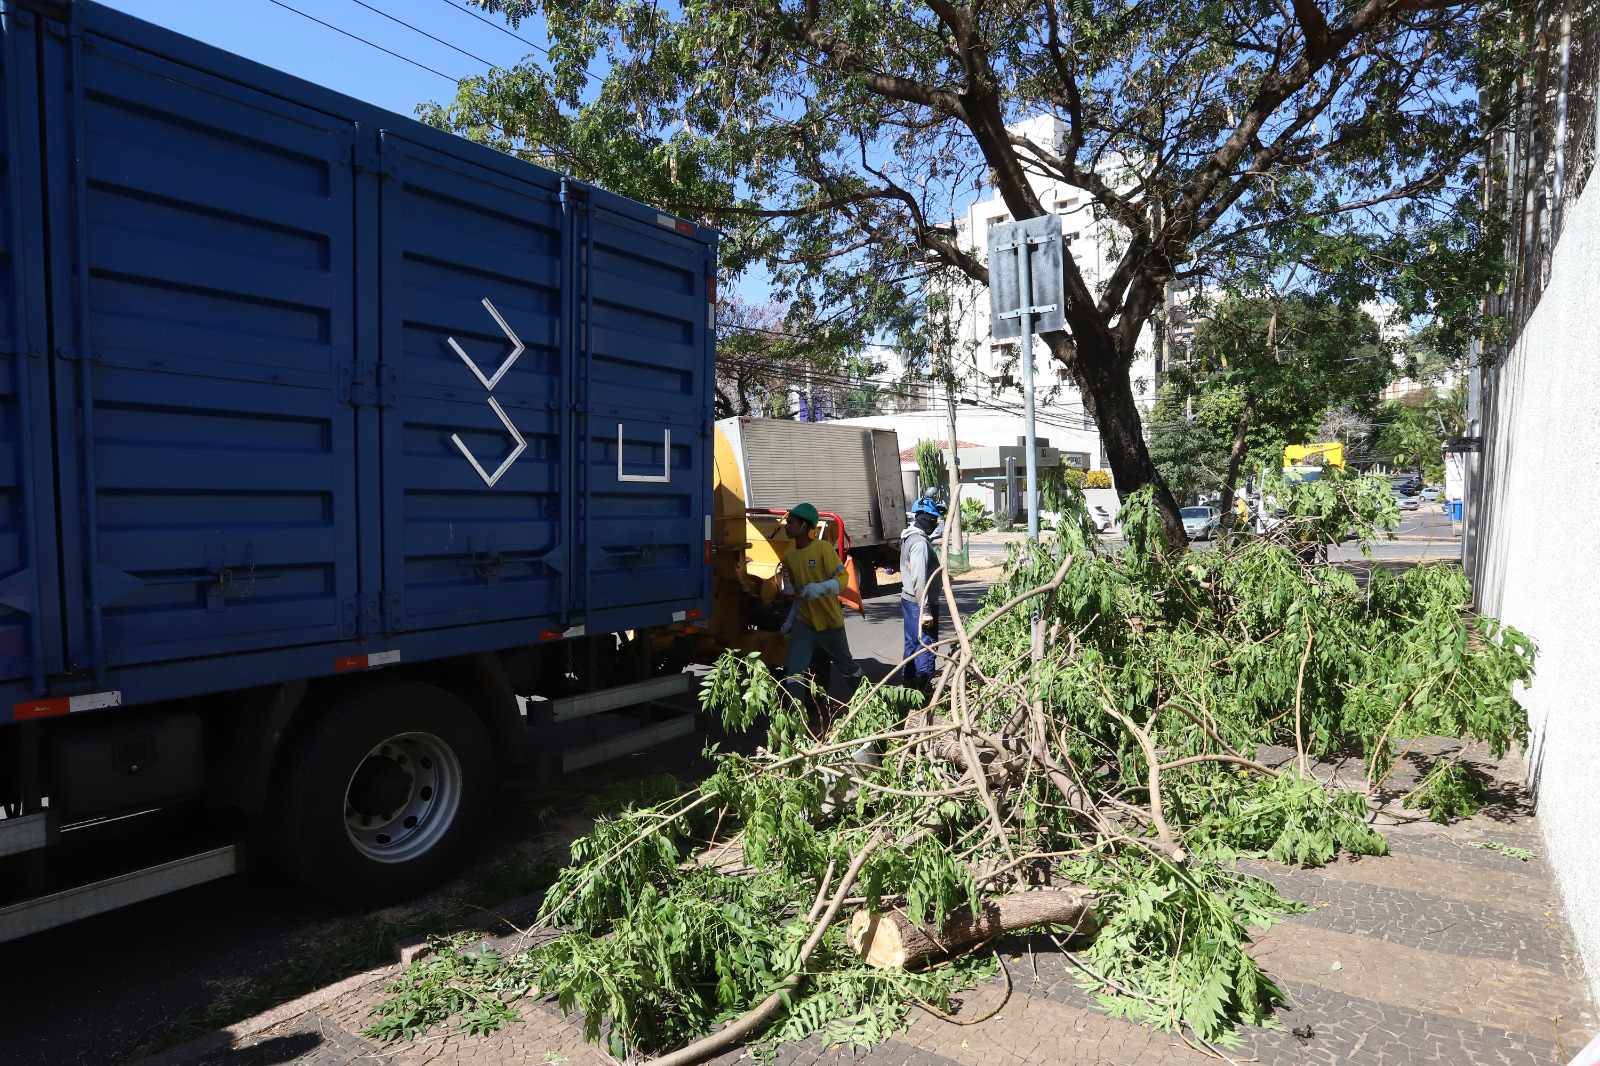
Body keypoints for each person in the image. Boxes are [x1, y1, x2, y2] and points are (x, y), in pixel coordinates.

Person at [779, 503, 864, 704]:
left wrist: (820, 588)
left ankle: (869, 704)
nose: (786, 526)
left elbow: (842, 579)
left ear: (804, 526)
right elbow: (799, 594)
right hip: (804, 623)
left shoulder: (823, 548)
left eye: (790, 522)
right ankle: (796, 719)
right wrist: (790, 621)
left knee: (848, 668)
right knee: (793, 672)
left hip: (829, 623)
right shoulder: (790, 555)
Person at [898, 495, 943, 690]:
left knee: (912, 643)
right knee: (927, 644)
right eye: (933, 519)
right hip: (920, 602)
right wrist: (925, 608)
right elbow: (919, 578)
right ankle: (923, 688)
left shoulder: (910, 537)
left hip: (909, 599)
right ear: (923, 518)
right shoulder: (920, 543)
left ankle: (909, 687)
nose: (936, 522)